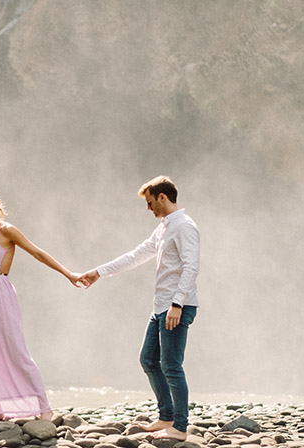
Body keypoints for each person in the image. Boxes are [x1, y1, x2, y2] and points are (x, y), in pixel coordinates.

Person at [79, 176, 200, 441]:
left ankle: (179, 427)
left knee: (171, 365)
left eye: (149, 202)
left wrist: (177, 304)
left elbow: (191, 266)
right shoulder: (163, 228)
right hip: (160, 307)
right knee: (148, 359)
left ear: (162, 197)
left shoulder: (185, 227)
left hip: (176, 306)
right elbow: (136, 256)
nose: (148, 209)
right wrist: (98, 272)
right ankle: (166, 415)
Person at [0, 191, 82, 421]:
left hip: (0, 290)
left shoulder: (7, 231)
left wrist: (68, 274)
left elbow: (37, 253)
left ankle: (44, 407)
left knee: (16, 350)